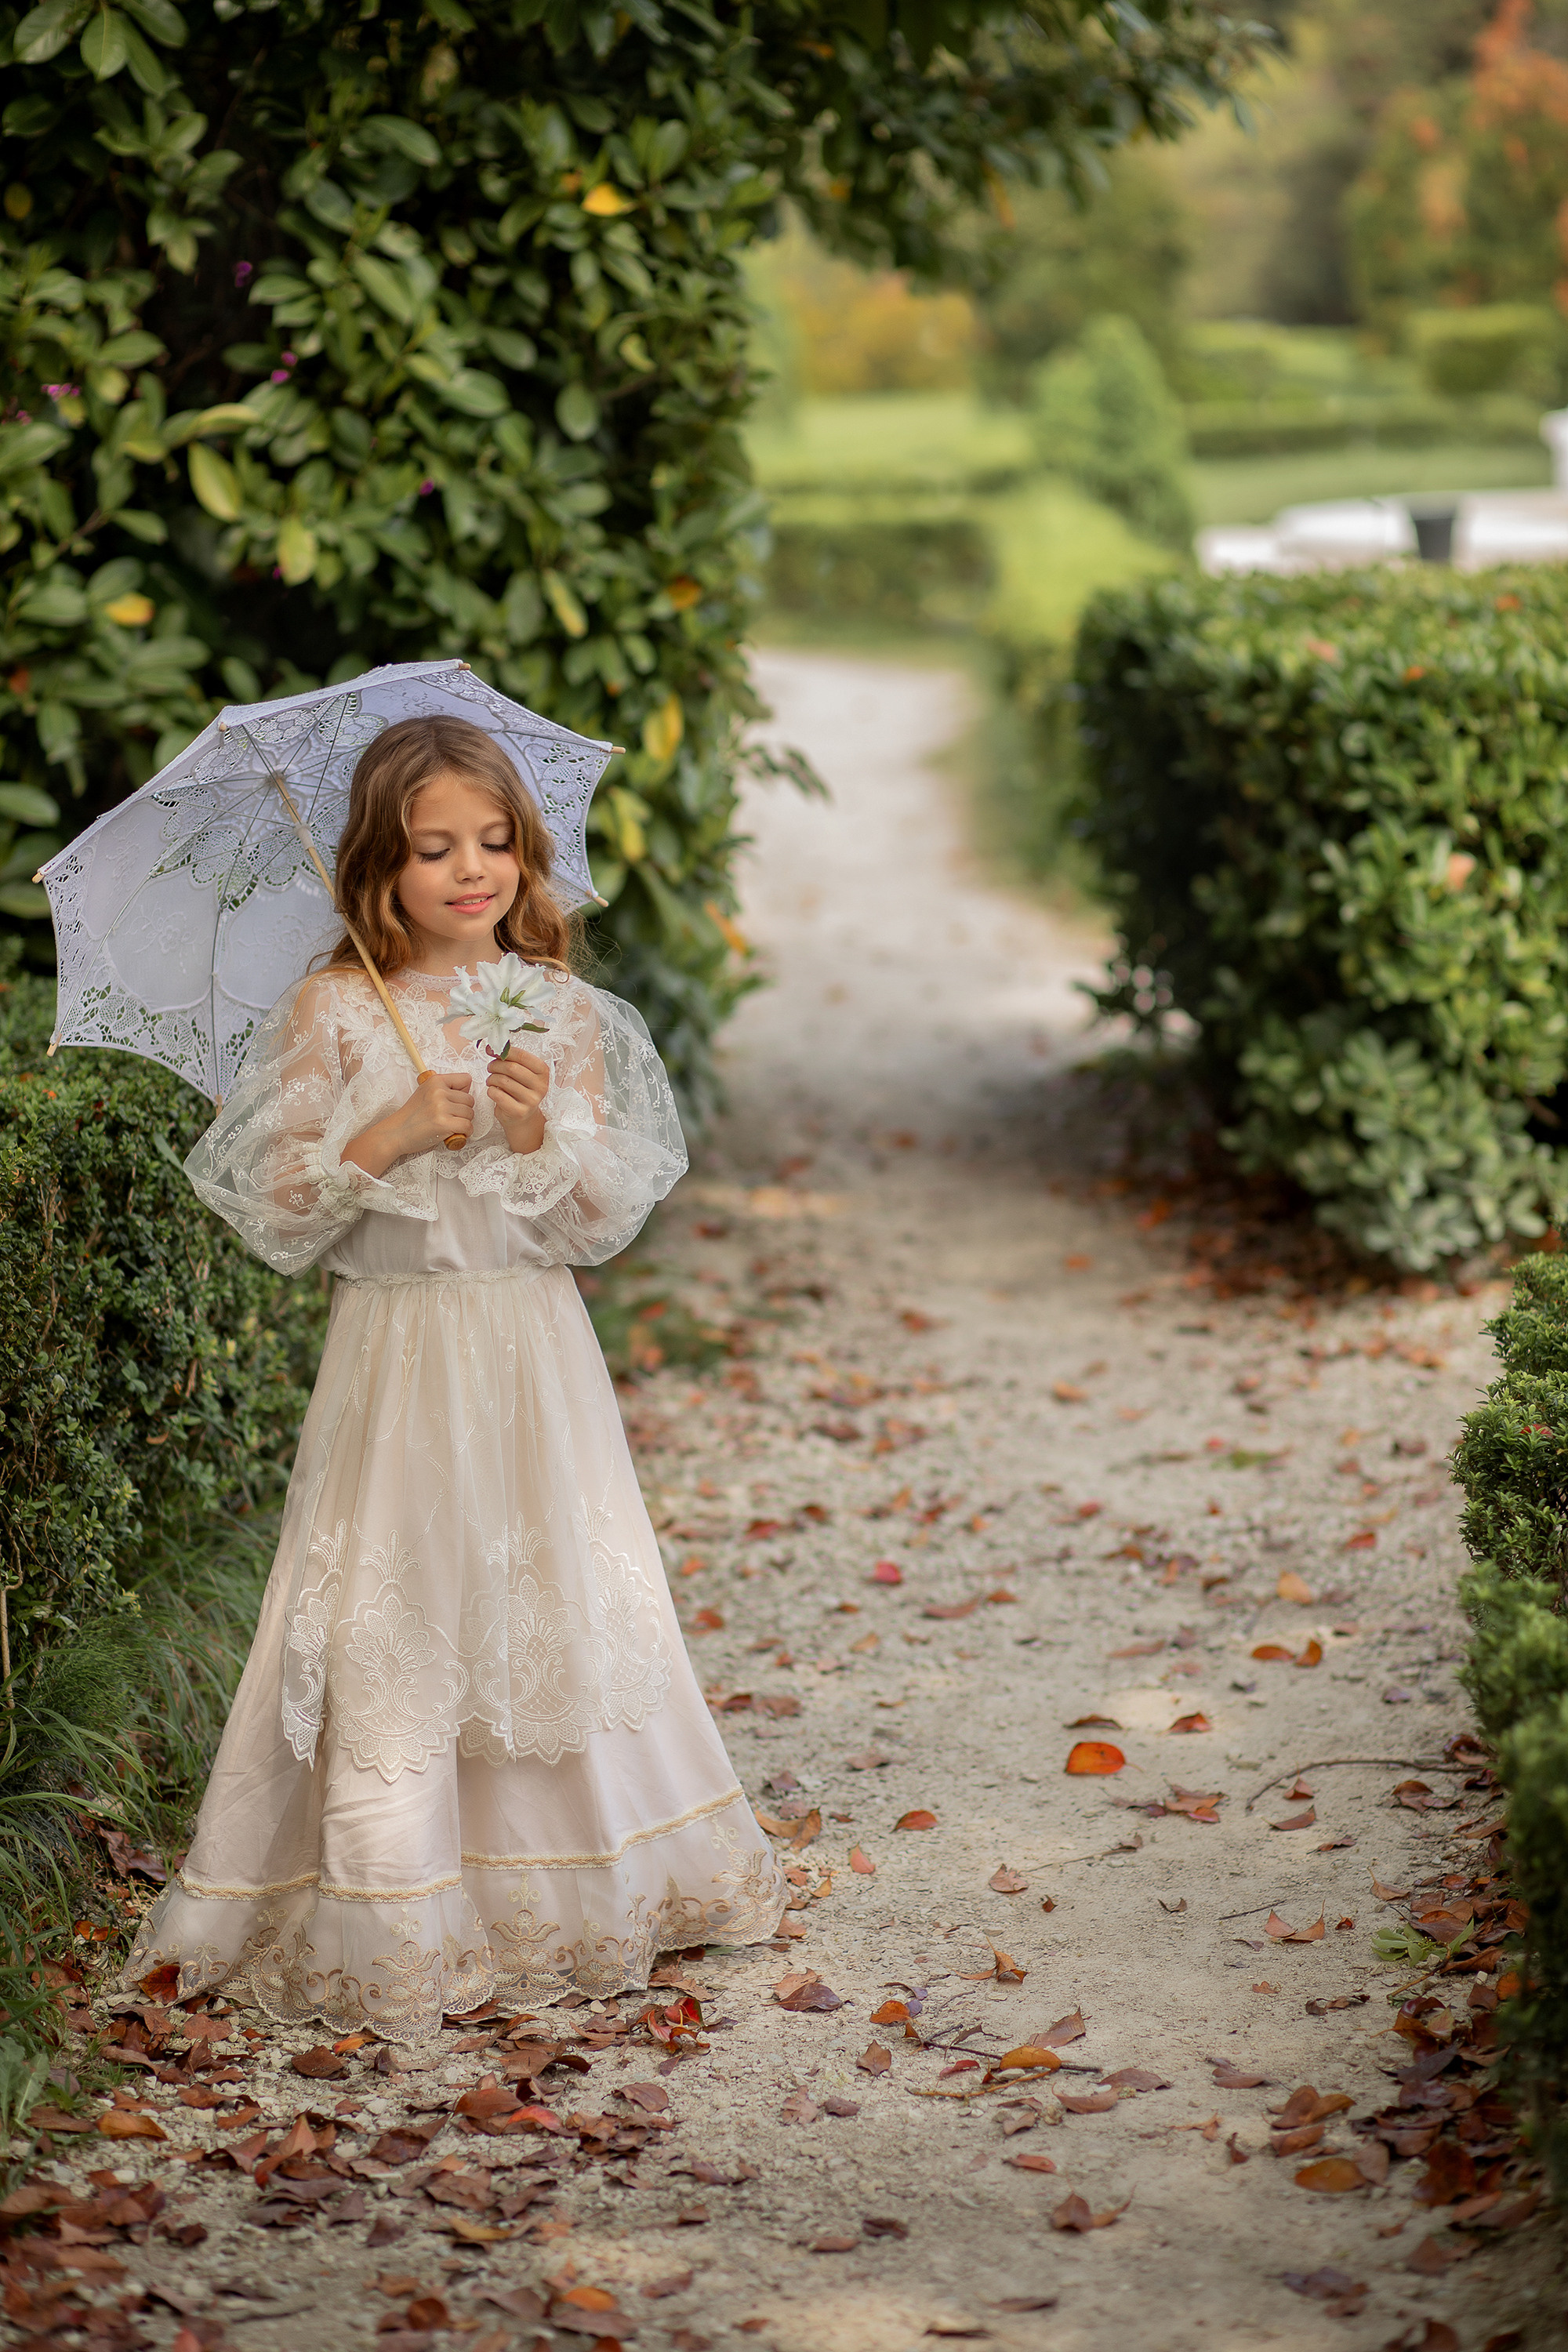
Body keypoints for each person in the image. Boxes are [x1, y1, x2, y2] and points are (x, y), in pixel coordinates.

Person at [122, 713, 786, 2038]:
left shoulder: (561, 1009)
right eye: (433, 848)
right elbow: (273, 1204)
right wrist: (392, 1128)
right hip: (401, 1353)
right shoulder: (333, 1009)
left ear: (529, 857)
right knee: (398, 1597)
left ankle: (584, 1876)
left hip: (530, 1348)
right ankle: (397, 1893)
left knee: (549, 1588)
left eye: (494, 843)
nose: (469, 871)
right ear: (377, 869)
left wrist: (538, 1134)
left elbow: (596, 1214)